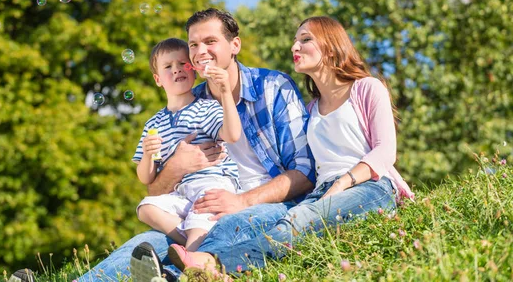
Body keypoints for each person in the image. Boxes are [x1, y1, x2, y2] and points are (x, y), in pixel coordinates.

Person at [75, 8, 317, 282]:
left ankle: (176, 277)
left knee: (225, 225)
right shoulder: (189, 101)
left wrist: (241, 201)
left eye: (210, 41)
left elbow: (306, 171)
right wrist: (176, 166)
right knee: (147, 241)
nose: (200, 51)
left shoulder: (273, 86)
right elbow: (154, 188)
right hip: (197, 208)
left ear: (234, 45)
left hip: (267, 205)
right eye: (193, 44)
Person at [165, 16, 415, 278]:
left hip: (370, 186)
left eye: (305, 40)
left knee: (294, 224)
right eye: (295, 41)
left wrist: (343, 182)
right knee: (256, 224)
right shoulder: (310, 110)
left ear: (332, 45)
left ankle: (208, 263)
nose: (295, 47)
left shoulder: (366, 88)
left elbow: (386, 152)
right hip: (321, 192)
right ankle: (200, 274)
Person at [132, 37, 242, 255]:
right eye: (168, 66)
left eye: (183, 64)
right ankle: (189, 244)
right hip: (182, 194)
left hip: (211, 186)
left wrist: (226, 92)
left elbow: (232, 134)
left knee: (197, 223)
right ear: (157, 79)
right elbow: (146, 178)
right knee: (146, 208)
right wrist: (147, 155)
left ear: (193, 70)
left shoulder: (206, 108)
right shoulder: (154, 123)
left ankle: (194, 264)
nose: (177, 70)